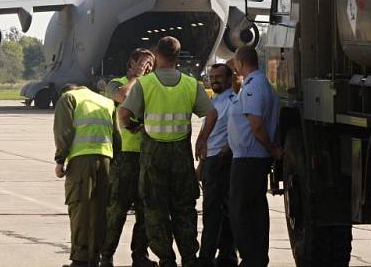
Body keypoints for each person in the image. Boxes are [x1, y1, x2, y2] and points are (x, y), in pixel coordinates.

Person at [120, 36, 218, 267]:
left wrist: (135, 127)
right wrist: (202, 140)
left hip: (154, 155)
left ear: (157, 54)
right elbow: (211, 114)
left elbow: (123, 115)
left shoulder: (145, 84)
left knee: (155, 209)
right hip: (181, 154)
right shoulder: (190, 84)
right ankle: (189, 257)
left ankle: (166, 259)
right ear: (177, 55)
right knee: (184, 207)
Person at [100, 48, 157, 267]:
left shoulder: (151, 85)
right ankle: (106, 255)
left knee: (144, 210)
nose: (148, 68)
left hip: (146, 154)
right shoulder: (118, 82)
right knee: (117, 209)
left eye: (151, 64)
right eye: (143, 63)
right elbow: (122, 97)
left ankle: (140, 255)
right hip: (124, 155)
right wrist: (137, 78)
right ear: (131, 64)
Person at [227, 46, 281, 267]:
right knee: (255, 209)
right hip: (252, 157)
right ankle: (257, 257)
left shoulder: (253, 86)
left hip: (249, 158)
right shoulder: (259, 84)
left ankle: (251, 258)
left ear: (241, 63)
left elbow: (256, 125)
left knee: (241, 210)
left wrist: (271, 148)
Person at [54, 83, 118, 267]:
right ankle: (94, 257)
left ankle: (80, 260)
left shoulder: (68, 98)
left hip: (81, 161)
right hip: (106, 160)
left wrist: (60, 160)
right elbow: (117, 137)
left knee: (80, 209)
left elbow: (63, 131)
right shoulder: (106, 101)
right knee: (100, 210)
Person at [199, 64, 238, 267]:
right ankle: (227, 256)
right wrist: (201, 164)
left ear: (230, 79)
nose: (214, 80)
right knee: (221, 213)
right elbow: (208, 129)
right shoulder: (214, 100)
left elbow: (237, 131)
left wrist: (225, 152)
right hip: (211, 160)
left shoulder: (232, 102)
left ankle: (205, 258)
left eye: (219, 77)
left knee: (213, 213)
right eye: (212, 76)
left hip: (221, 162)